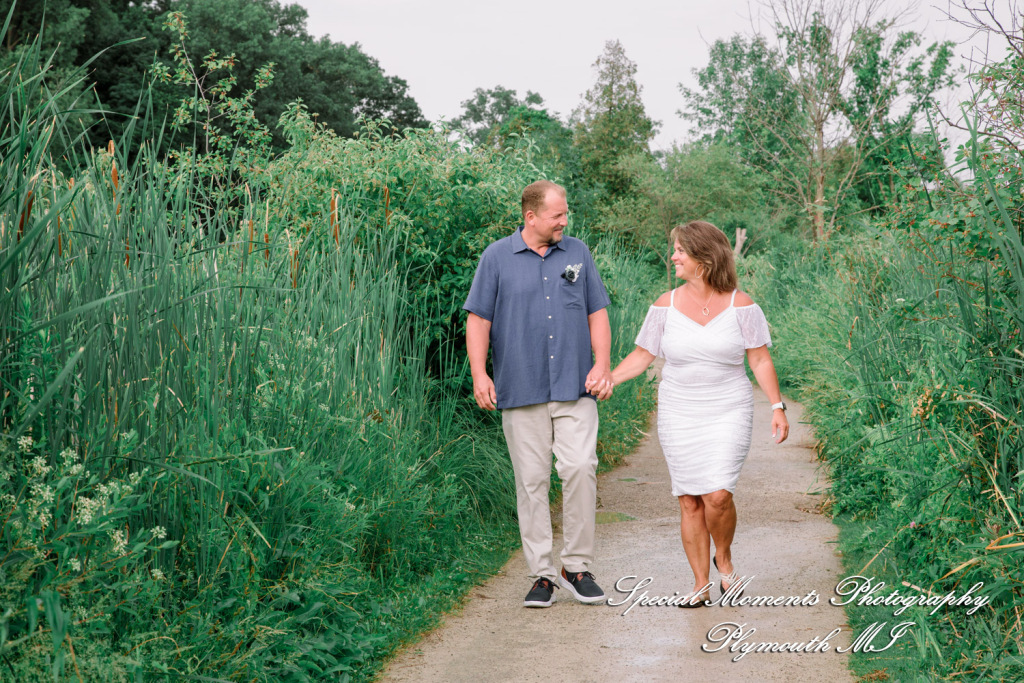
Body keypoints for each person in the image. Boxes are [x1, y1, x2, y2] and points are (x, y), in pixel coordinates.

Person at [610, 220, 789, 607]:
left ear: (703, 258)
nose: (673, 256)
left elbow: (758, 359)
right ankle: (700, 583)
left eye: (679, 250)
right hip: (679, 409)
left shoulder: (742, 306)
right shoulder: (664, 304)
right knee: (690, 498)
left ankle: (724, 562)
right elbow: (643, 356)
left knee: (718, 494)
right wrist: (609, 379)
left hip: (728, 406)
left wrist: (777, 406)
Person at [463, 180, 614, 608]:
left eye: (565, 213)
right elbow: (478, 320)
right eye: (557, 215)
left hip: (574, 383)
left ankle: (577, 566)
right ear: (531, 217)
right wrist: (480, 374)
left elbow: (596, 312)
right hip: (520, 384)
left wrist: (602, 364)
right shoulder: (496, 257)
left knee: (581, 467)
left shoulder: (578, 253)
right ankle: (543, 574)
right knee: (531, 483)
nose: (564, 221)